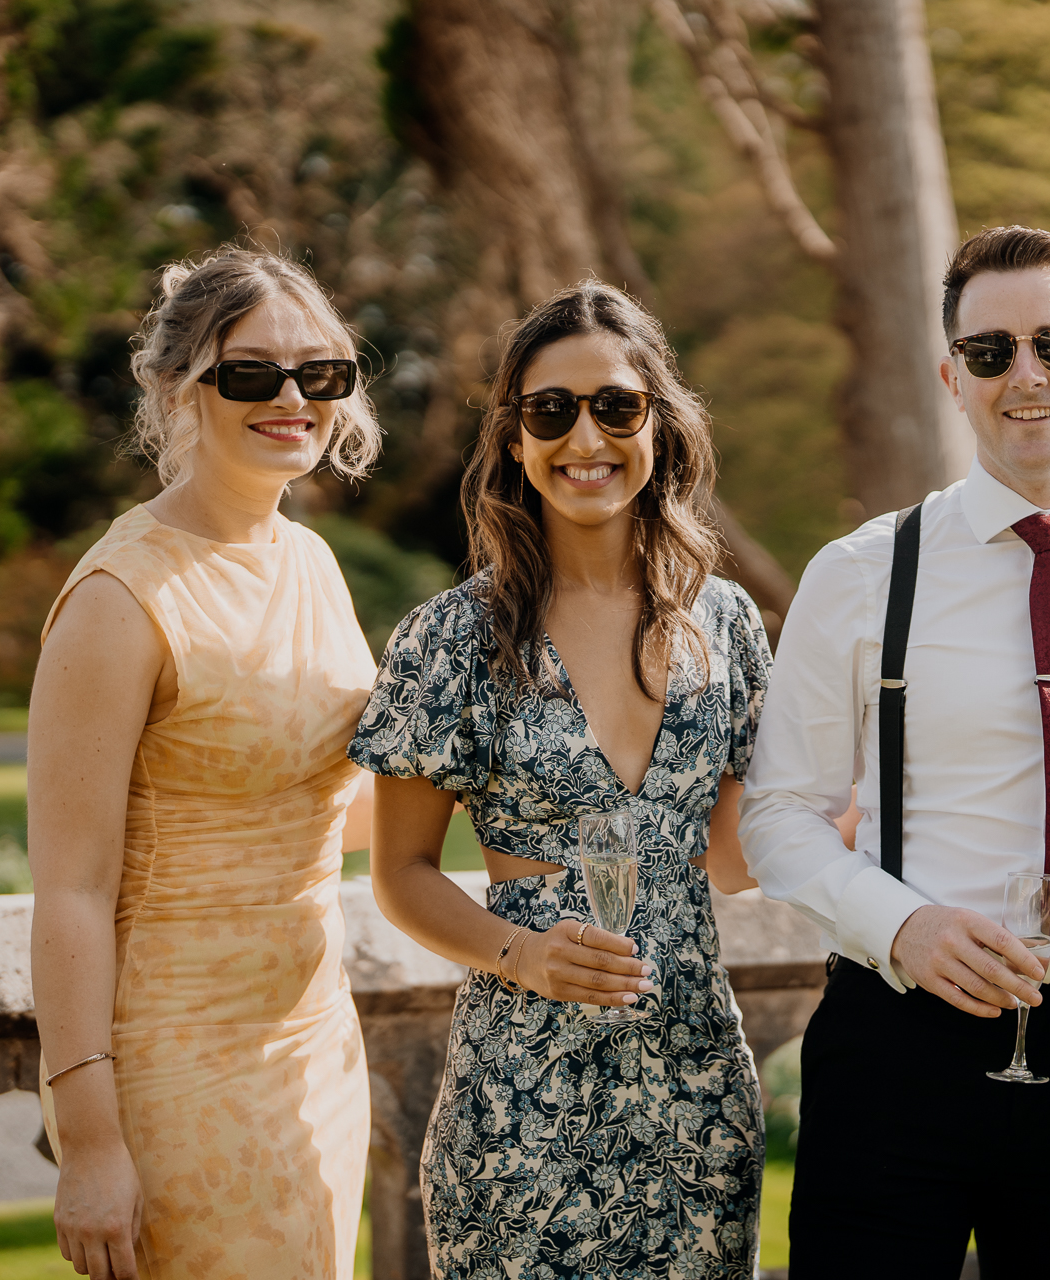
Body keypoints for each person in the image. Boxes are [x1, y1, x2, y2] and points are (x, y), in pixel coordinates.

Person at [737, 225, 1050, 1276]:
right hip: (897, 1044)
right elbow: (776, 812)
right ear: (949, 375)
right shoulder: (862, 571)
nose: (1026, 376)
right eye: (990, 350)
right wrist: (903, 925)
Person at [350, 280, 770, 1278]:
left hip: (699, 1096)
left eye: (617, 406)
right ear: (515, 438)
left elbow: (733, 858)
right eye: (552, 410)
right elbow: (400, 871)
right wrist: (522, 952)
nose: (587, 436)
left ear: (659, 427)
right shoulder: (452, 636)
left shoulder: (729, 625)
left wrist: (855, 810)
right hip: (521, 1108)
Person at [28, 246, 383, 1279]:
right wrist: (90, 1141)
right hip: (178, 1064)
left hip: (316, 1040)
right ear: (176, 387)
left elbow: (311, 805)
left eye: (320, 373)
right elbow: (71, 891)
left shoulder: (309, 560)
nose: (291, 398)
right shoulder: (119, 598)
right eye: (252, 373)